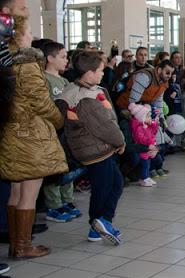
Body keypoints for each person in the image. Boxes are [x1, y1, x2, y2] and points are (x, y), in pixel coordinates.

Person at [0, 15, 67, 258]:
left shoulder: (5, 60)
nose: (32, 36)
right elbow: (40, 101)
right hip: (30, 134)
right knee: (29, 191)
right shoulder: (26, 64)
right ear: (17, 36)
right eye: (28, 31)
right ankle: (23, 246)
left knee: (15, 190)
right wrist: (59, 119)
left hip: (11, 130)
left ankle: (15, 243)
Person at [57, 50, 125, 245]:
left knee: (115, 183)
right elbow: (104, 126)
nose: (103, 73)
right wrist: (120, 141)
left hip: (96, 147)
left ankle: (103, 221)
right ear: (89, 73)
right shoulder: (85, 96)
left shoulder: (78, 88)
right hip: (96, 149)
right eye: (101, 70)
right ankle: (97, 225)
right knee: (103, 188)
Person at [41, 41, 84, 223]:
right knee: (54, 167)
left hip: (67, 130)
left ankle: (67, 200)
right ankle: (54, 204)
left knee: (68, 165)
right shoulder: (44, 80)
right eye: (62, 57)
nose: (66, 61)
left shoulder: (65, 80)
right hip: (52, 131)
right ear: (50, 58)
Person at [128, 103, 158, 187]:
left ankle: (147, 177)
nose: (149, 118)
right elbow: (140, 138)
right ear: (142, 117)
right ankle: (144, 178)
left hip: (148, 148)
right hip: (143, 148)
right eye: (148, 116)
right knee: (145, 164)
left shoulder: (146, 125)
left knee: (148, 163)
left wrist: (154, 125)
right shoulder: (139, 127)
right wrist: (149, 141)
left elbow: (153, 132)